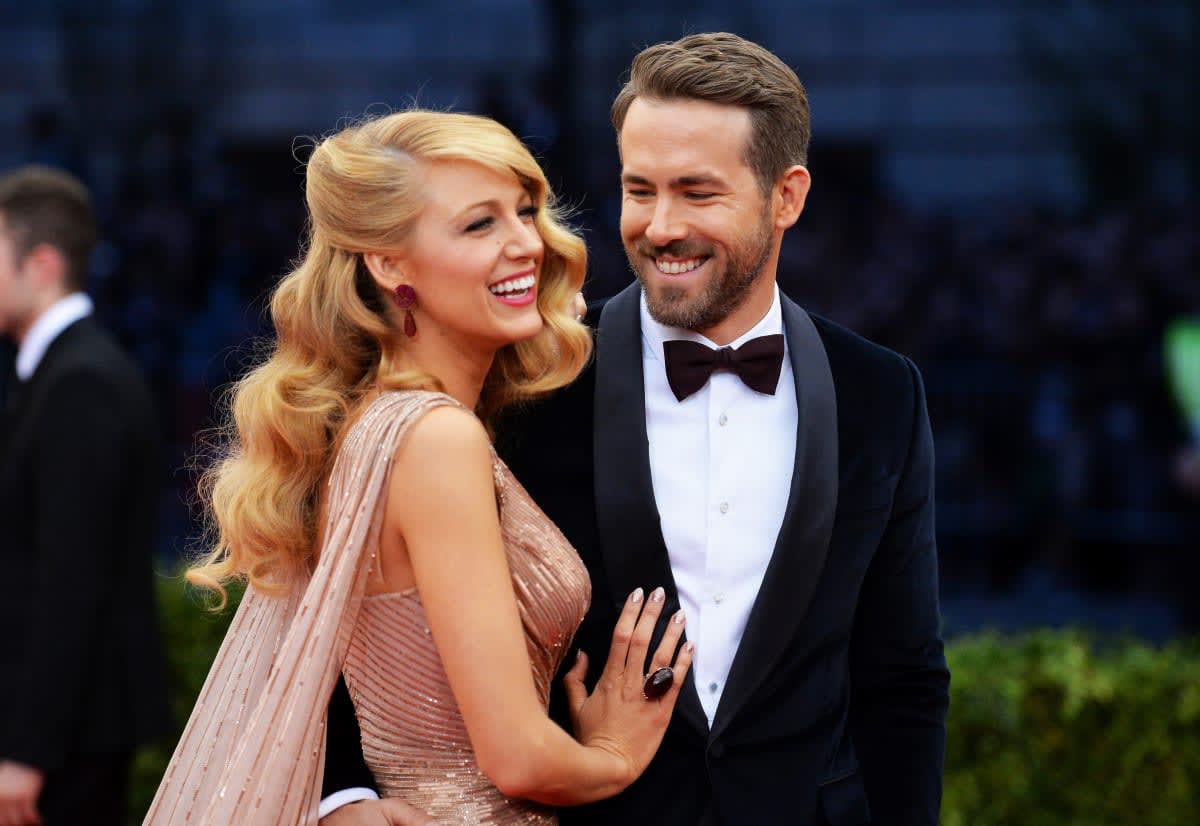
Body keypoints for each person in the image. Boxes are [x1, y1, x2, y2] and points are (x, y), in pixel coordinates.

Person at [321, 32, 950, 826]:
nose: (659, 226)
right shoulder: (529, 378)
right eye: (640, 189)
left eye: (697, 193)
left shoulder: (881, 393)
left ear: (786, 197)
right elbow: (366, 609)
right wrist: (344, 798)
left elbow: (903, 678)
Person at [144, 110, 694, 826]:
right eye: (479, 225)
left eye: (525, 212)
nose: (527, 244)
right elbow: (517, 759)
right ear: (390, 265)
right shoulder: (436, 440)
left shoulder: (375, 423)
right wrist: (613, 754)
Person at [0, 165, 171, 826]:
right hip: (62, 732)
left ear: (41, 264)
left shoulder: (81, 383)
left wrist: (27, 751)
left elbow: (69, 583)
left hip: (69, 742)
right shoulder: (53, 374)